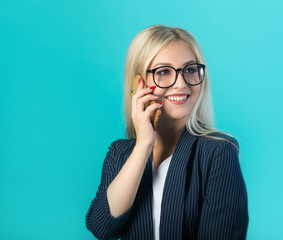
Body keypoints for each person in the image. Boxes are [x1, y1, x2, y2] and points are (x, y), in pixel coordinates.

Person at [86, 25, 249, 240]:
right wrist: (143, 145)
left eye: (190, 69)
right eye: (163, 72)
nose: (181, 84)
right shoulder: (120, 153)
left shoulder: (217, 151)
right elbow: (102, 227)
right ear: (139, 84)